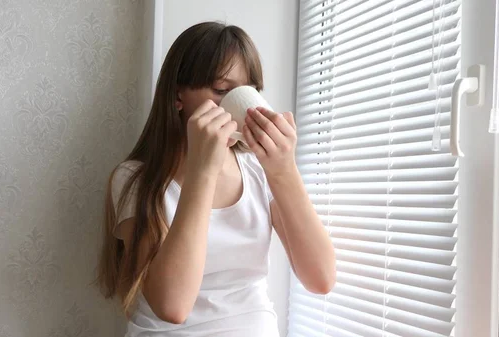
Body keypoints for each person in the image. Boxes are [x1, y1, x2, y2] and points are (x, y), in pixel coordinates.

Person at [95, 21, 336, 337]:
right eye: (222, 91)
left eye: (249, 91)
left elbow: (321, 279)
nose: (240, 104)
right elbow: (172, 306)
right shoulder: (135, 180)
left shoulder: (257, 172)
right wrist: (202, 170)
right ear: (178, 96)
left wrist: (283, 170)